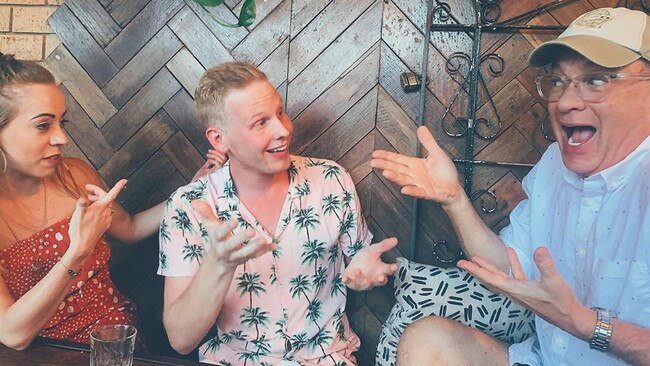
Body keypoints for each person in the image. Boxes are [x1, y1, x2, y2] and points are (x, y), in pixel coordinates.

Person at [371, 7, 650, 366]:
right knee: (428, 341)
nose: (565, 102)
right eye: (558, 81)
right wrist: (454, 199)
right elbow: (508, 269)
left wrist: (581, 323)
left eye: (597, 81)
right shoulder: (553, 165)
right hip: (544, 360)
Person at [158, 61, 398, 365]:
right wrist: (219, 265)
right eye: (261, 122)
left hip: (325, 358)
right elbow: (181, 340)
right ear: (219, 139)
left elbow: (362, 262)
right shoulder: (186, 207)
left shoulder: (330, 180)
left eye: (280, 112)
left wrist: (368, 268)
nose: (283, 130)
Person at [0, 53, 225, 350]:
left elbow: (130, 228)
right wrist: (78, 251)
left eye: (61, 122)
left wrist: (189, 191)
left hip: (114, 340)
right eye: (43, 125)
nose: (62, 138)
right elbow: (12, 334)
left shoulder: (74, 175)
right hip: (38, 353)